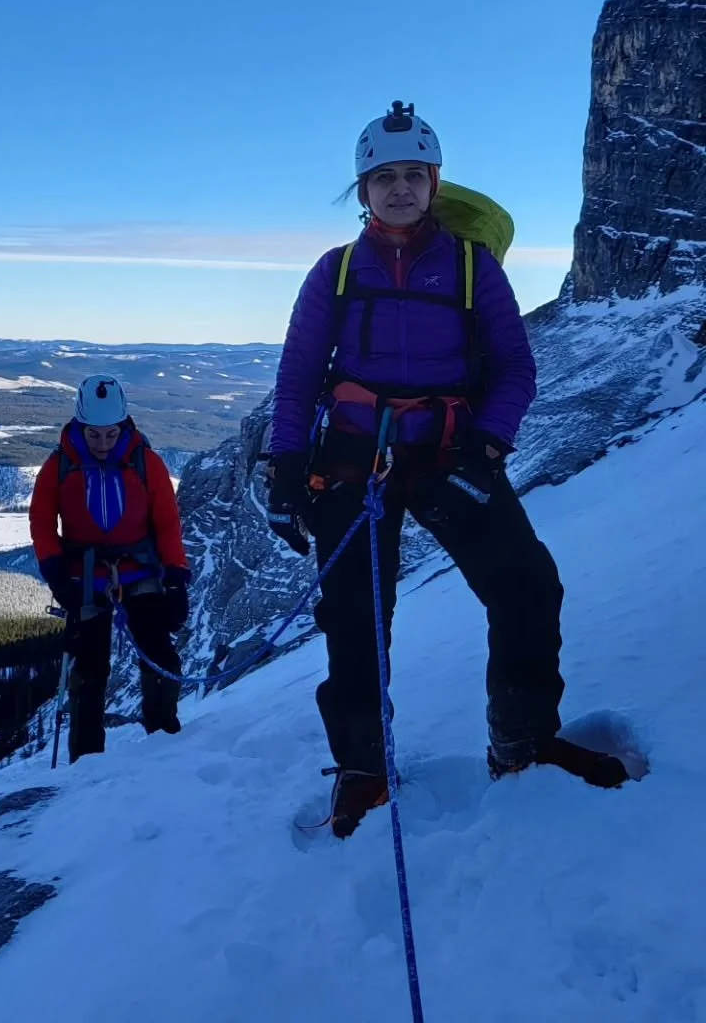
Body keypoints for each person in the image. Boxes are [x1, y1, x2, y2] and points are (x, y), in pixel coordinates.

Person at [267, 101, 628, 838]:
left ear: (435, 183)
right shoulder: (335, 273)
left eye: (413, 176)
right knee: (356, 621)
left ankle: (521, 741)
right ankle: (364, 771)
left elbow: (516, 368)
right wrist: (284, 466)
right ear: (362, 190)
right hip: (353, 461)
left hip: (447, 453)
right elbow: (299, 374)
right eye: (384, 177)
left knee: (527, 585)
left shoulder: (472, 268)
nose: (399, 189)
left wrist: (486, 445)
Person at [30, 374, 191, 762]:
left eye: (110, 434)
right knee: (90, 667)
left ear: (124, 426)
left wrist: (176, 578)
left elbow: (168, 522)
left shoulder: (146, 462)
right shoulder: (59, 465)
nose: (103, 443)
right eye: (94, 435)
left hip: (140, 570)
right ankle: (87, 759)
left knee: (160, 655)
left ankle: (164, 736)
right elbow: (41, 521)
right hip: (84, 577)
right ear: (80, 428)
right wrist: (55, 574)